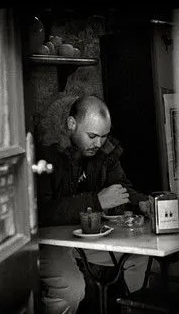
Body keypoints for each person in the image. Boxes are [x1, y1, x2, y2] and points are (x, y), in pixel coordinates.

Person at [35, 95, 153, 314]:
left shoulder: (103, 152)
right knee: (71, 288)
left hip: (85, 239)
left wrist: (143, 203)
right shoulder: (43, 154)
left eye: (104, 136)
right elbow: (40, 212)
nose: (98, 144)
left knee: (139, 257)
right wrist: (96, 201)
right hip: (48, 242)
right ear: (71, 124)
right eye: (92, 136)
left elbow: (122, 187)